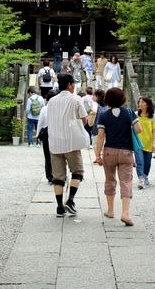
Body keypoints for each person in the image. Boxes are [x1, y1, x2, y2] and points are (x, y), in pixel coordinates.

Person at [94, 87, 142, 226]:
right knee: (126, 181)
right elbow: (139, 129)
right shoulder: (129, 113)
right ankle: (125, 213)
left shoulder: (103, 115)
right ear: (122, 98)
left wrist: (98, 155)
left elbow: (101, 137)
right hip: (126, 152)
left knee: (110, 180)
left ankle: (110, 210)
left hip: (109, 151)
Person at [46, 73, 89, 217]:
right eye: (74, 84)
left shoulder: (51, 101)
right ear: (70, 85)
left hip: (54, 143)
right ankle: (70, 200)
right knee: (77, 171)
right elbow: (84, 120)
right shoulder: (76, 99)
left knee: (58, 176)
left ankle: (59, 207)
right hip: (71, 142)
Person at [35, 89, 58, 184]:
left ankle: (50, 177)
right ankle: (60, 175)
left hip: (47, 133)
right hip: (58, 132)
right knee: (59, 155)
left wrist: (37, 135)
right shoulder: (59, 108)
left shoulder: (45, 109)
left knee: (48, 156)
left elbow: (40, 123)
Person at [135, 96, 155, 189]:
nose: (140, 104)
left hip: (148, 142)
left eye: (143, 102)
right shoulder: (136, 115)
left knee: (147, 163)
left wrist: (154, 142)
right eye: (140, 102)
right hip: (138, 143)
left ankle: (145, 176)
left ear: (147, 105)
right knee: (139, 162)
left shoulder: (152, 117)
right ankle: (141, 179)